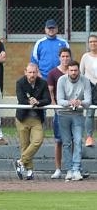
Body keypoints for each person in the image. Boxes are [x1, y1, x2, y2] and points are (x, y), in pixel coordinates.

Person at [56, 60, 91, 182]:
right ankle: (69, 170)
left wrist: (80, 102)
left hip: (78, 114)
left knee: (77, 141)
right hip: (63, 114)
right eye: (71, 70)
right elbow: (59, 100)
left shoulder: (85, 81)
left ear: (79, 71)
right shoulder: (61, 80)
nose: (73, 72)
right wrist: (70, 102)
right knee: (66, 143)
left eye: (75, 70)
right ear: (67, 71)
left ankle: (76, 169)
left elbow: (88, 101)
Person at [14, 63, 51, 180]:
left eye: (34, 72)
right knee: (24, 145)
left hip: (36, 118)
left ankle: (20, 162)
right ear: (25, 72)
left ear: (37, 72)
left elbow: (48, 99)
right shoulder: (20, 83)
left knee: (37, 140)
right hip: (22, 118)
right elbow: (21, 99)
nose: (32, 75)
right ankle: (29, 171)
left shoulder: (43, 83)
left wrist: (38, 102)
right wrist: (30, 102)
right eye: (30, 72)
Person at [47, 47, 72, 179]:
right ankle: (58, 168)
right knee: (59, 141)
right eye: (63, 56)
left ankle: (73, 167)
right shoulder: (53, 73)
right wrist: (54, 104)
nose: (65, 59)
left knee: (71, 140)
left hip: (72, 111)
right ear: (59, 57)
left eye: (67, 56)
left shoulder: (74, 71)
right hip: (60, 111)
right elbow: (51, 91)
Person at [79, 34, 97, 147]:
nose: (93, 44)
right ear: (88, 44)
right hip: (89, 86)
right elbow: (81, 74)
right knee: (90, 113)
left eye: (95, 41)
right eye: (91, 42)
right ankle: (89, 137)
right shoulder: (85, 57)